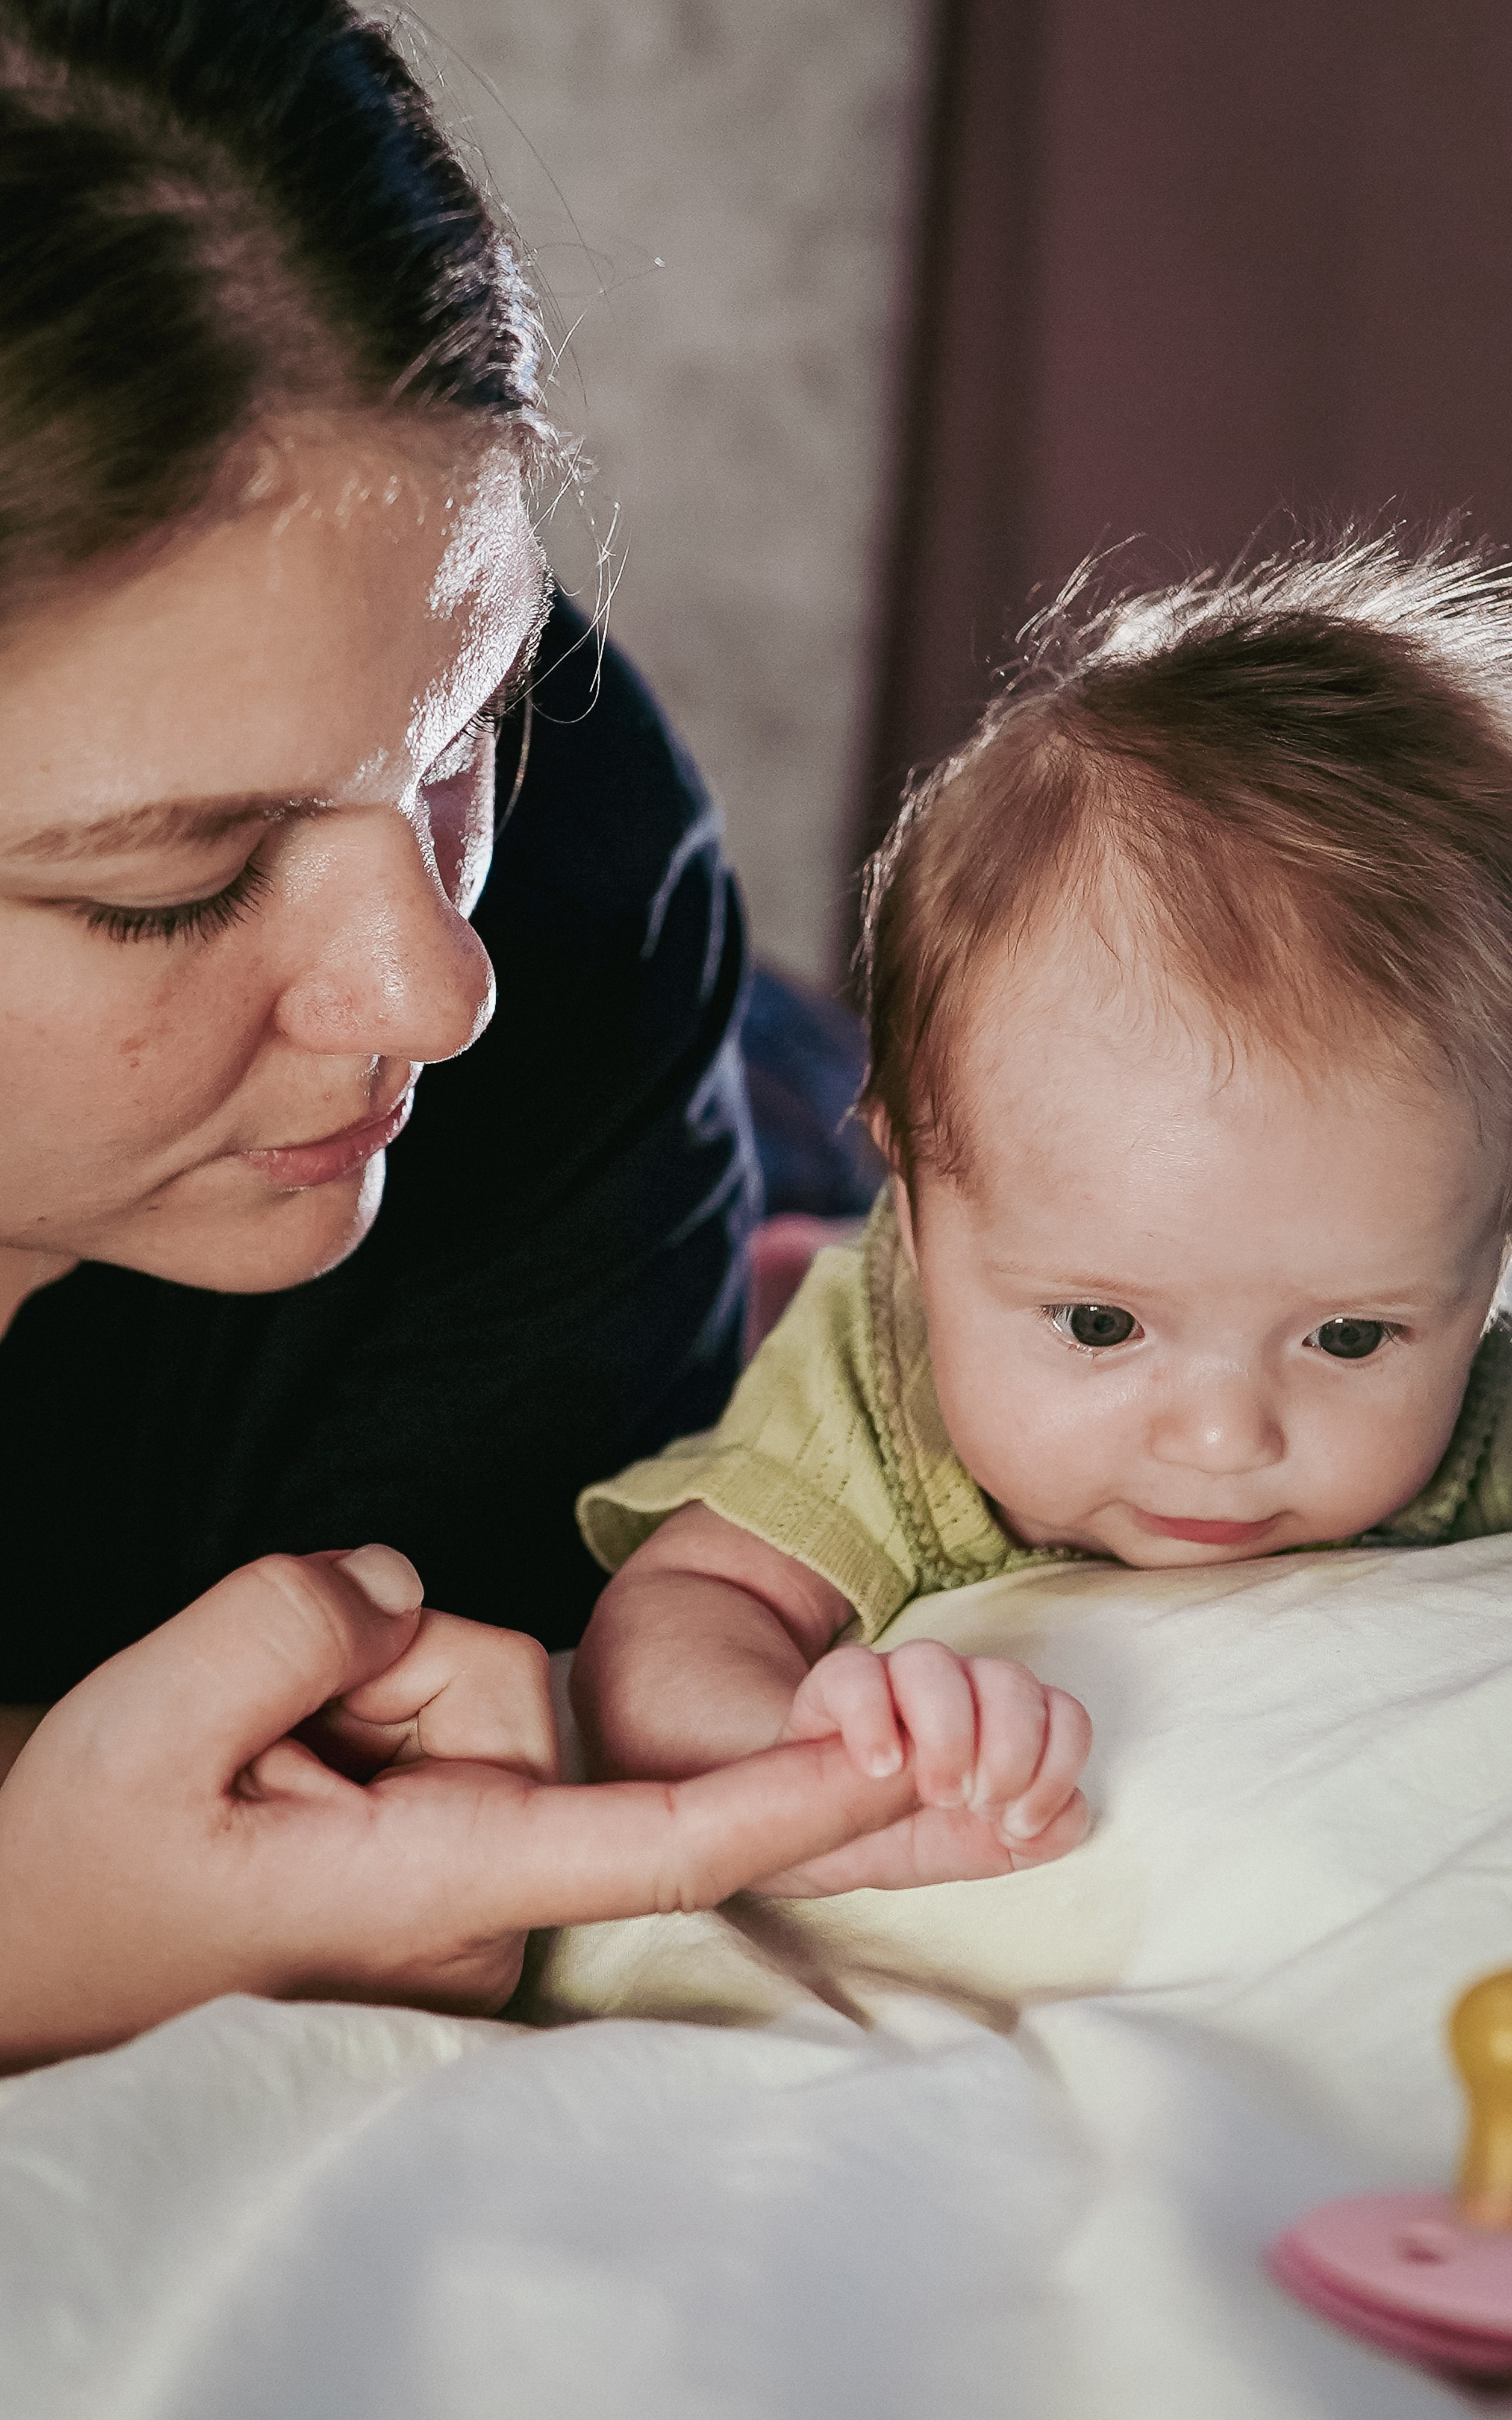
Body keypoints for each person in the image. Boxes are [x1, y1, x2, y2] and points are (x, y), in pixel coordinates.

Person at [0, 0, 928, 2069]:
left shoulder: (573, 892)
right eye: (173, 876)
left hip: (730, 1110)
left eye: (455, 743)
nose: (438, 984)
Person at [572, 531, 1512, 1890]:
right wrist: (835, 1750)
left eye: (1350, 1340)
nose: (1220, 1437)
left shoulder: (1481, 1377)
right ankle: (802, 1232)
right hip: (822, 1226)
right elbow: (669, 1629)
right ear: (919, 1179)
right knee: (769, 1190)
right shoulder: (880, 1385)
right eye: (1098, 1321)